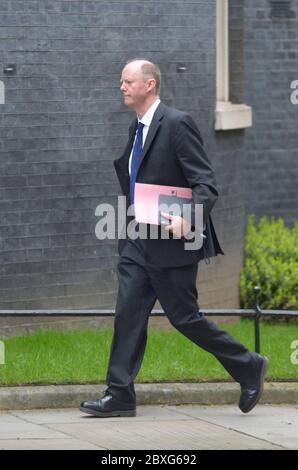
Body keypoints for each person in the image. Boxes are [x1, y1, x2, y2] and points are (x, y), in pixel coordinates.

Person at [80, 59, 268, 418]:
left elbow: (207, 184)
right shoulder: (137, 127)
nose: (121, 86)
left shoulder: (177, 124)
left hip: (172, 244)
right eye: (121, 80)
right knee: (128, 314)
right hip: (138, 238)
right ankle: (119, 393)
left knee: (185, 318)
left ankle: (248, 365)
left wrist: (188, 218)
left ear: (149, 85)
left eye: (128, 81)